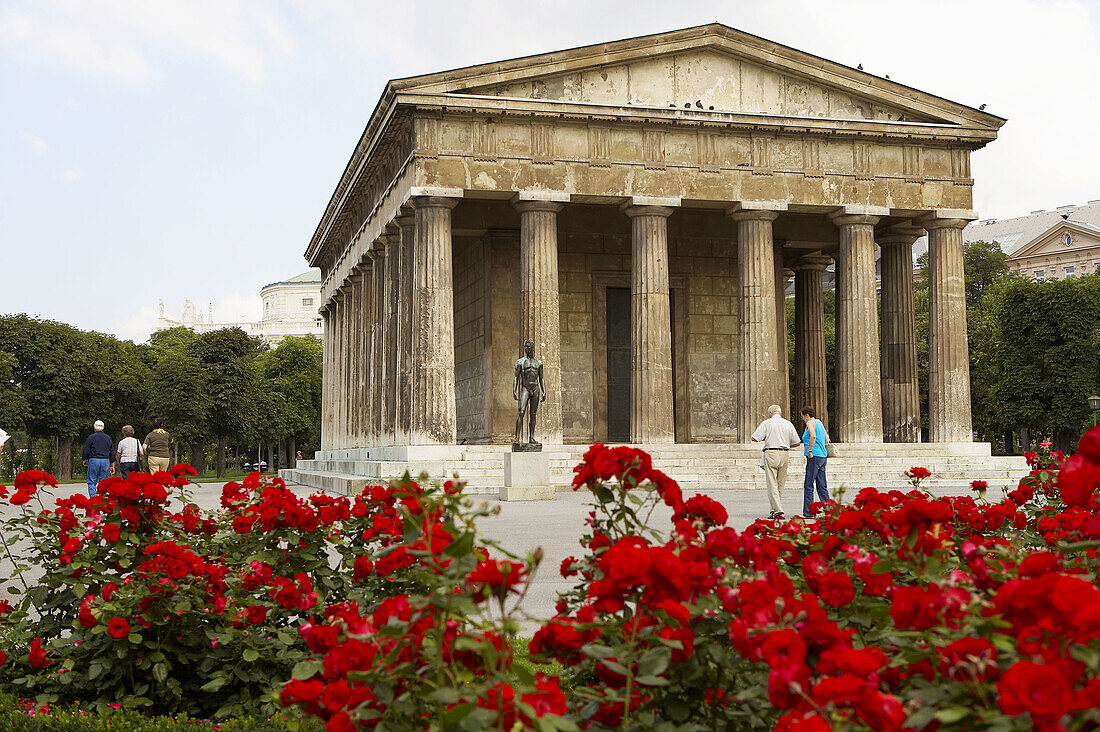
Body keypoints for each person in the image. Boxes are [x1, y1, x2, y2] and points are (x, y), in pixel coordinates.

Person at [751, 405, 802, 520]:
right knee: (780, 484)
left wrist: (768, 438)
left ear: (770, 413)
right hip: (784, 453)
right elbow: (797, 442)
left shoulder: (767, 423)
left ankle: (778, 511)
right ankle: (773, 510)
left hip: (771, 452)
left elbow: (754, 438)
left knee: (772, 483)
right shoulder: (788, 424)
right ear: (780, 412)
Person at [800, 406, 831, 518]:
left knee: (808, 484)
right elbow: (825, 438)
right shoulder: (819, 422)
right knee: (822, 484)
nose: (802, 419)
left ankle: (809, 512)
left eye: (802, 416)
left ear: (806, 415)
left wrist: (809, 450)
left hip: (814, 456)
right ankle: (829, 510)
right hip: (823, 456)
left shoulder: (810, 423)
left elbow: (813, 435)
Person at [82, 420, 115, 496]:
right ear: (103, 428)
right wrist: (112, 464)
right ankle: (101, 499)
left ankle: (93, 499)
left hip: (94, 460)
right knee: (103, 482)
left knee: (91, 481)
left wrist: (85, 459)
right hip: (105, 461)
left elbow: (86, 449)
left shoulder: (91, 437)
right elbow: (112, 451)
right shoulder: (108, 438)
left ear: (94, 427)